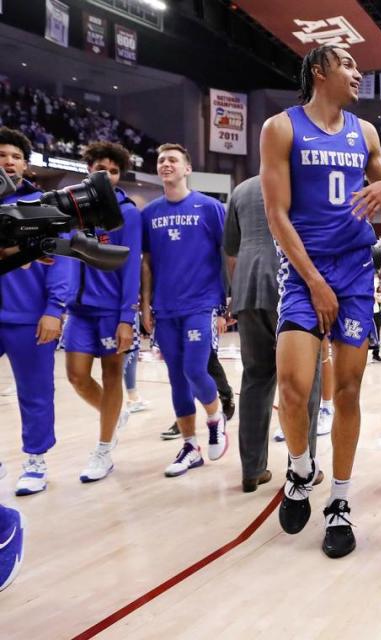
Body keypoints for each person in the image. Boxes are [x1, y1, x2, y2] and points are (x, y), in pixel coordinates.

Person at [260, 44, 381, 558]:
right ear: (320, 71)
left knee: (347, 390)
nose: (359, 72)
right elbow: (277, 215)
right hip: (305, 272)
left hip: (357, 272)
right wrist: (315, 281)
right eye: (348, 64)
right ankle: (300, 469)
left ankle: (339, 502)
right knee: (294, 389)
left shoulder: (364, 133)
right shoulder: (280, 128)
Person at [224, 175, 326, 493]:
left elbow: (231, 252)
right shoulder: (304, 181)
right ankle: (303, 464)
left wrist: (238, 287)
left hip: (247, 288)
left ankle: (252, 470)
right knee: (305, 382)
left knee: (255, 379)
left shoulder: (240, 190)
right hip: (291, 285)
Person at [141, 143, 228, 477]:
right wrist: (146, 305)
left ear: (187, 169)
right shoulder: (149, 213)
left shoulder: (209, 208)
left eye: (173, 160)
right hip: (165, 307)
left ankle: (214, 418)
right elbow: (146, 263)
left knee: (194, 369)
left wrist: (223, 304)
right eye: (161, 160)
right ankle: (190, 446)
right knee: (176, 378)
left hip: (201, 303)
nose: (166, 164)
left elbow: (225, 254)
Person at [63, 141, 142, 483]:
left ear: (120, 174)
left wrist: (127, 316)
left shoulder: (129, 213)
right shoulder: (71, 209)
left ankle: (104, 450)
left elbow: (132, 267)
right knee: (77, 377)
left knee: (113, 377)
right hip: (78, 309)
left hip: (112, 310)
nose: (106, 175)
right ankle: (114, 414)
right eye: (100, 169)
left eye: (113, 170)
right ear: (88, 170)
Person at [0, 127, 70, 496]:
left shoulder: (45, 204)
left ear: (26, 165)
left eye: (15, 156)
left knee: (34, 392)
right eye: (1, 156)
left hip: (30, 316)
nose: (8, 162)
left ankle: (35, 460)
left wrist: (54, 309)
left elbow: (62, 259)